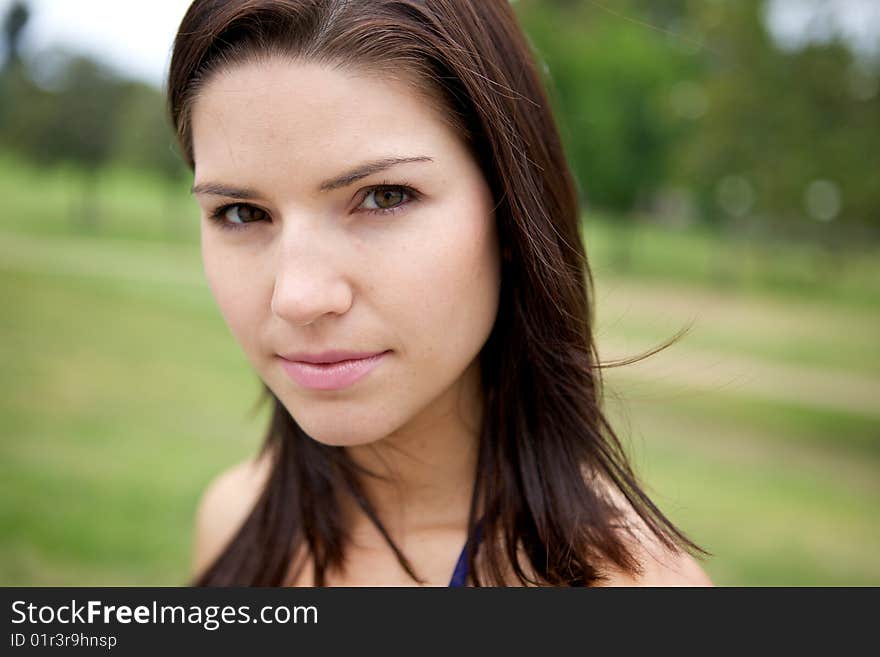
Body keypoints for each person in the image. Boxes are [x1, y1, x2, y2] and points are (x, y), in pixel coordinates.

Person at [167, 0, 713, 587]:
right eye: (242, 212)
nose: (298, 297)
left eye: (383, 197)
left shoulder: (623, 584)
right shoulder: (235, 520)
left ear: (510, 210)